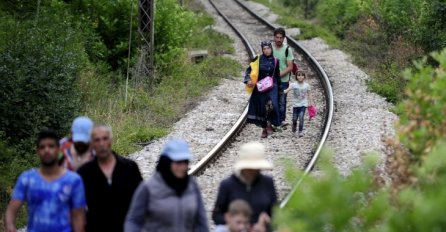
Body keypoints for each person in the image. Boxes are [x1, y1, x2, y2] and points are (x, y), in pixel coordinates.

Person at [4, 130, 86, 232]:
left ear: (59, 150)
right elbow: (11, 210)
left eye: (51, 146)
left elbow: (78, 217)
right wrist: (10, 225)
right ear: (37, 151)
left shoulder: (73, 181)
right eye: (42, 147)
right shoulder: (27, 179)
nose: (46, 150)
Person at [124, 139, 209, 232]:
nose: (183, 166)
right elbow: (134, 221)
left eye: (185, 162)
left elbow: (201, 222)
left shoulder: (192, 186)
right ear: (166, 162)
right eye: (178, 162)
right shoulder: (148, 188)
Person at [77, 125, 142, 232]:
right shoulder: (84, 173)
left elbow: (141, 201)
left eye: (105, 138)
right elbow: (78, 209)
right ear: (91, 144)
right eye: (97, 140)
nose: (102, 144)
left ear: (111, 141)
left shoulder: (129, 167)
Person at [212, 142, 277, 231]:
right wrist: (235, 224)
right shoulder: (227, 185)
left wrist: (265, 224)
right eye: (251, 168)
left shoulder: (268, 183)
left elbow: (276, 214)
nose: (254, 170)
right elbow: (216, 216)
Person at [244, 40, 282, 138]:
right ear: (262, 49)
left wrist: (281, 89)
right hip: (260, 86)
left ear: (271, 48)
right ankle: (265, 127)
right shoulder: (257, 59)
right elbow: (248, 71)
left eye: (268, 48)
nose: (266, 50)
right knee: (262, 108)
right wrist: (248, 80)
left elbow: (277, 76)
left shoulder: (276, 60)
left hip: (272, 86)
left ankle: (270, 125)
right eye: (264, 49)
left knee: (272, 105)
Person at [272, 27, 294, 127]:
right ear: (274, 38)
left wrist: (278, 75)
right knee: (273, 100)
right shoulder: (270, 49)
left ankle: (281, 120)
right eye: (277, 37)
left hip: (283, 80)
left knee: (282, 101)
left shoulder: (287, 50)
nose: (279, 39)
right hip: (272, 81)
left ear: (284, 38)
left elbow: (290, 67)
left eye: (281, 37)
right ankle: (275, 120)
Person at [284, 71, 313, 137]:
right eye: (299, 75)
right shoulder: (293, 84)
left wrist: (310, 103)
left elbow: (309, 94)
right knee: (294, 118)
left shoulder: (306, 85)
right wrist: (283, 91)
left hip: (303, 104)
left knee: (301, 117)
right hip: (295, 104)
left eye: (302, 75)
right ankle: (294, 125)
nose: (300, 77)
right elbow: (288, 90)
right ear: (296, 77)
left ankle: (300, 131)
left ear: (304, 77)